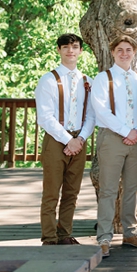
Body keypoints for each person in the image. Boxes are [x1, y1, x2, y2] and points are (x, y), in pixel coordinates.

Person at [90, 35, 137, 257]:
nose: (124, 53)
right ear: (113, 53)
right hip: (112, 139)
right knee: (108, 189)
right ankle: (104, 238)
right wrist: (127, 132)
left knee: (133, 188)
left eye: (128, 49)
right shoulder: (103, 79)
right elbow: (102, 110)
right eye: (120, 50)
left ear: (134, 53)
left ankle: (131, 232)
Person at [34, 33, 95, 246]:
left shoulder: (87, 81)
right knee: (51, 192)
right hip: (55, 140)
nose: (71, 50)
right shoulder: (48, 79)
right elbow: (45, 116)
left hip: (79, 140)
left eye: (75, 47)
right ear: (59, 50)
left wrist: (80, 139)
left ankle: (65, 233)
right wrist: (67, 139)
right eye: (66, 47)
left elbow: (91, 115)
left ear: (80, 51)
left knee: (72, 191)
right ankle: (49, 237)